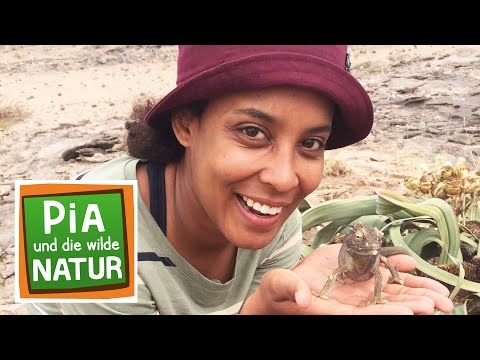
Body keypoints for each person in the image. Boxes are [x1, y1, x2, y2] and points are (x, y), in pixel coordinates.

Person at [28, 45, 453, 315]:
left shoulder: (272, 220)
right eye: (252, 132)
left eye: (310, 142)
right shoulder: (73, 218)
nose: (285, 179)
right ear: (186, 125)